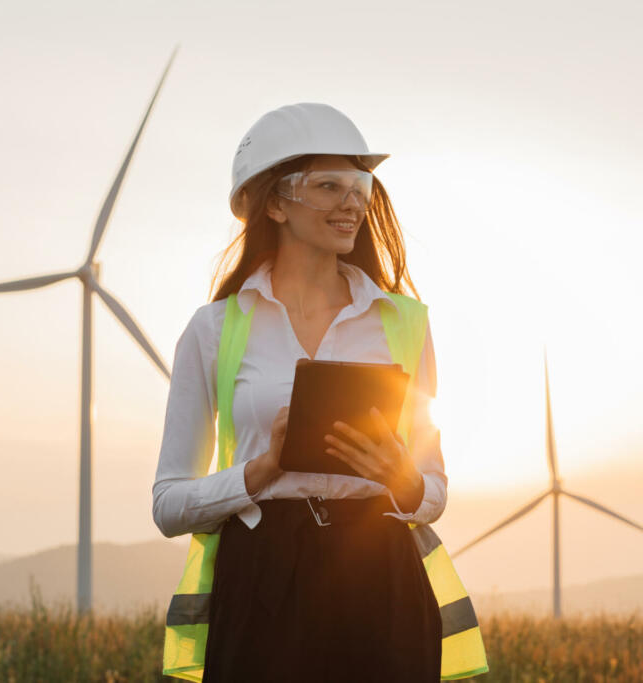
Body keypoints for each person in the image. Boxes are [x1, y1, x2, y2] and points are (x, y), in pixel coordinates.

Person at [153, 103, 485, 682]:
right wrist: (263, 469)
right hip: (263, 580)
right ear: (276, 204)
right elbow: (168, 505)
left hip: (381, 577)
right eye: (328, 186)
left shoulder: (404, 323)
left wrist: (400, 476)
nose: (352, 202)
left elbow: (432, 491)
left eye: (359, 186)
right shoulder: (212, 330)